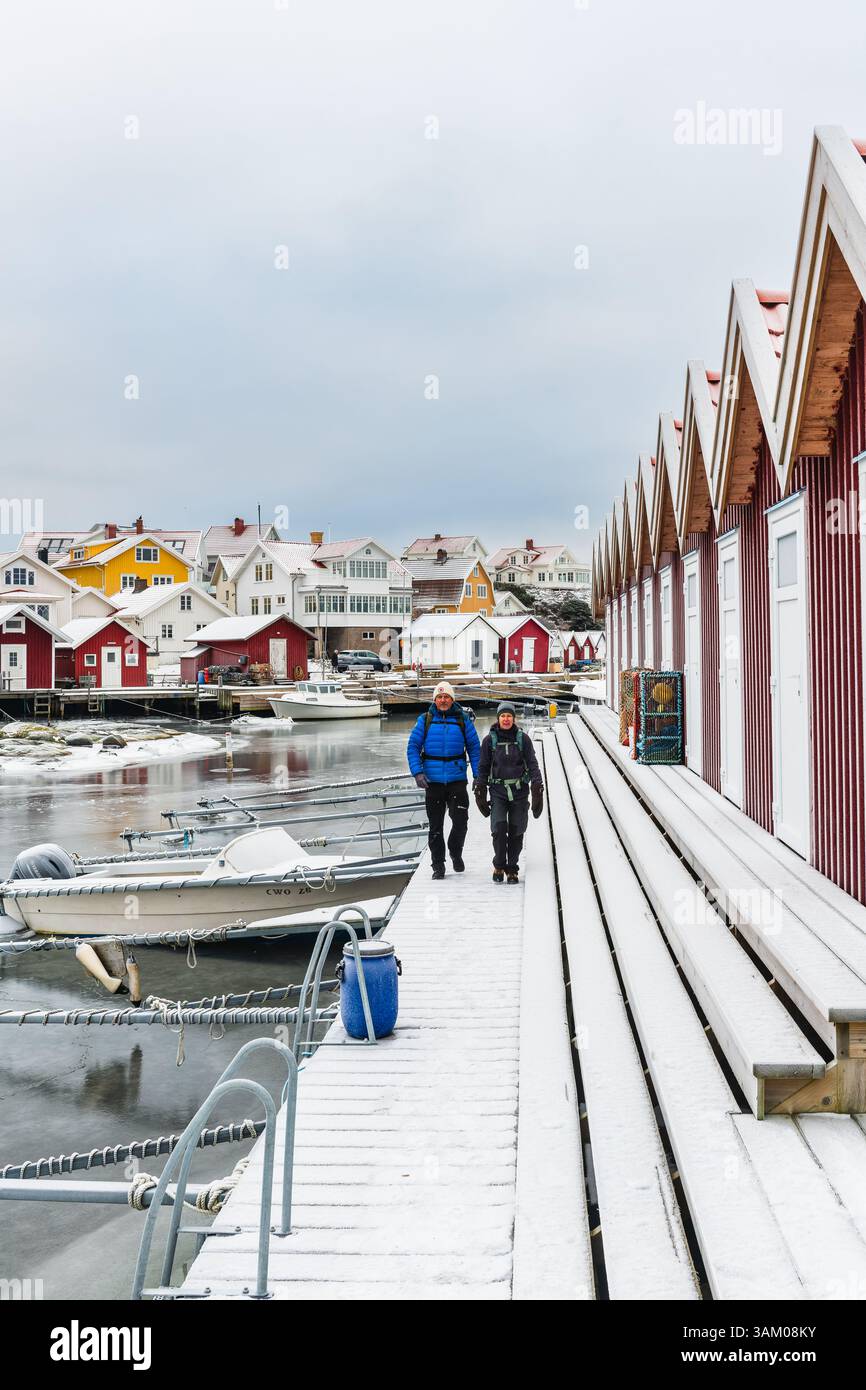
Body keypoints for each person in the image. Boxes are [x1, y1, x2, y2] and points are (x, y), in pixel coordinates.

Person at [407, 680, 481, 879]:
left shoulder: (463, 719)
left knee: (460, 822)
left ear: (452, 699)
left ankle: (455, 852)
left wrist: (478, 775)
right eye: (439, 697)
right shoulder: (425, 719)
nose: (442, 700)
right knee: (436, 826)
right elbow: (413, 747)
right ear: (435, 699)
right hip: (433, 781)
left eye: (446, 697)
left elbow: (474, 749)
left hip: (457, 779)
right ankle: (438, 865)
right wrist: (417, 772)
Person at [474, 701, 544, 883]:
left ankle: (512, 868)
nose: (506, 719)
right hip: (498, 791)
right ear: (498, 718)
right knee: (498, 829)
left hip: (519, 791)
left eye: (509, 716)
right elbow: (482, 767)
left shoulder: (523, 739)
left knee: (517, 831)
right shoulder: (489, 740)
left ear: (514, 718)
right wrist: (480, 790)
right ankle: (499, 864)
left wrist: (537, 787)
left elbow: (533, 764)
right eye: (503, 716)